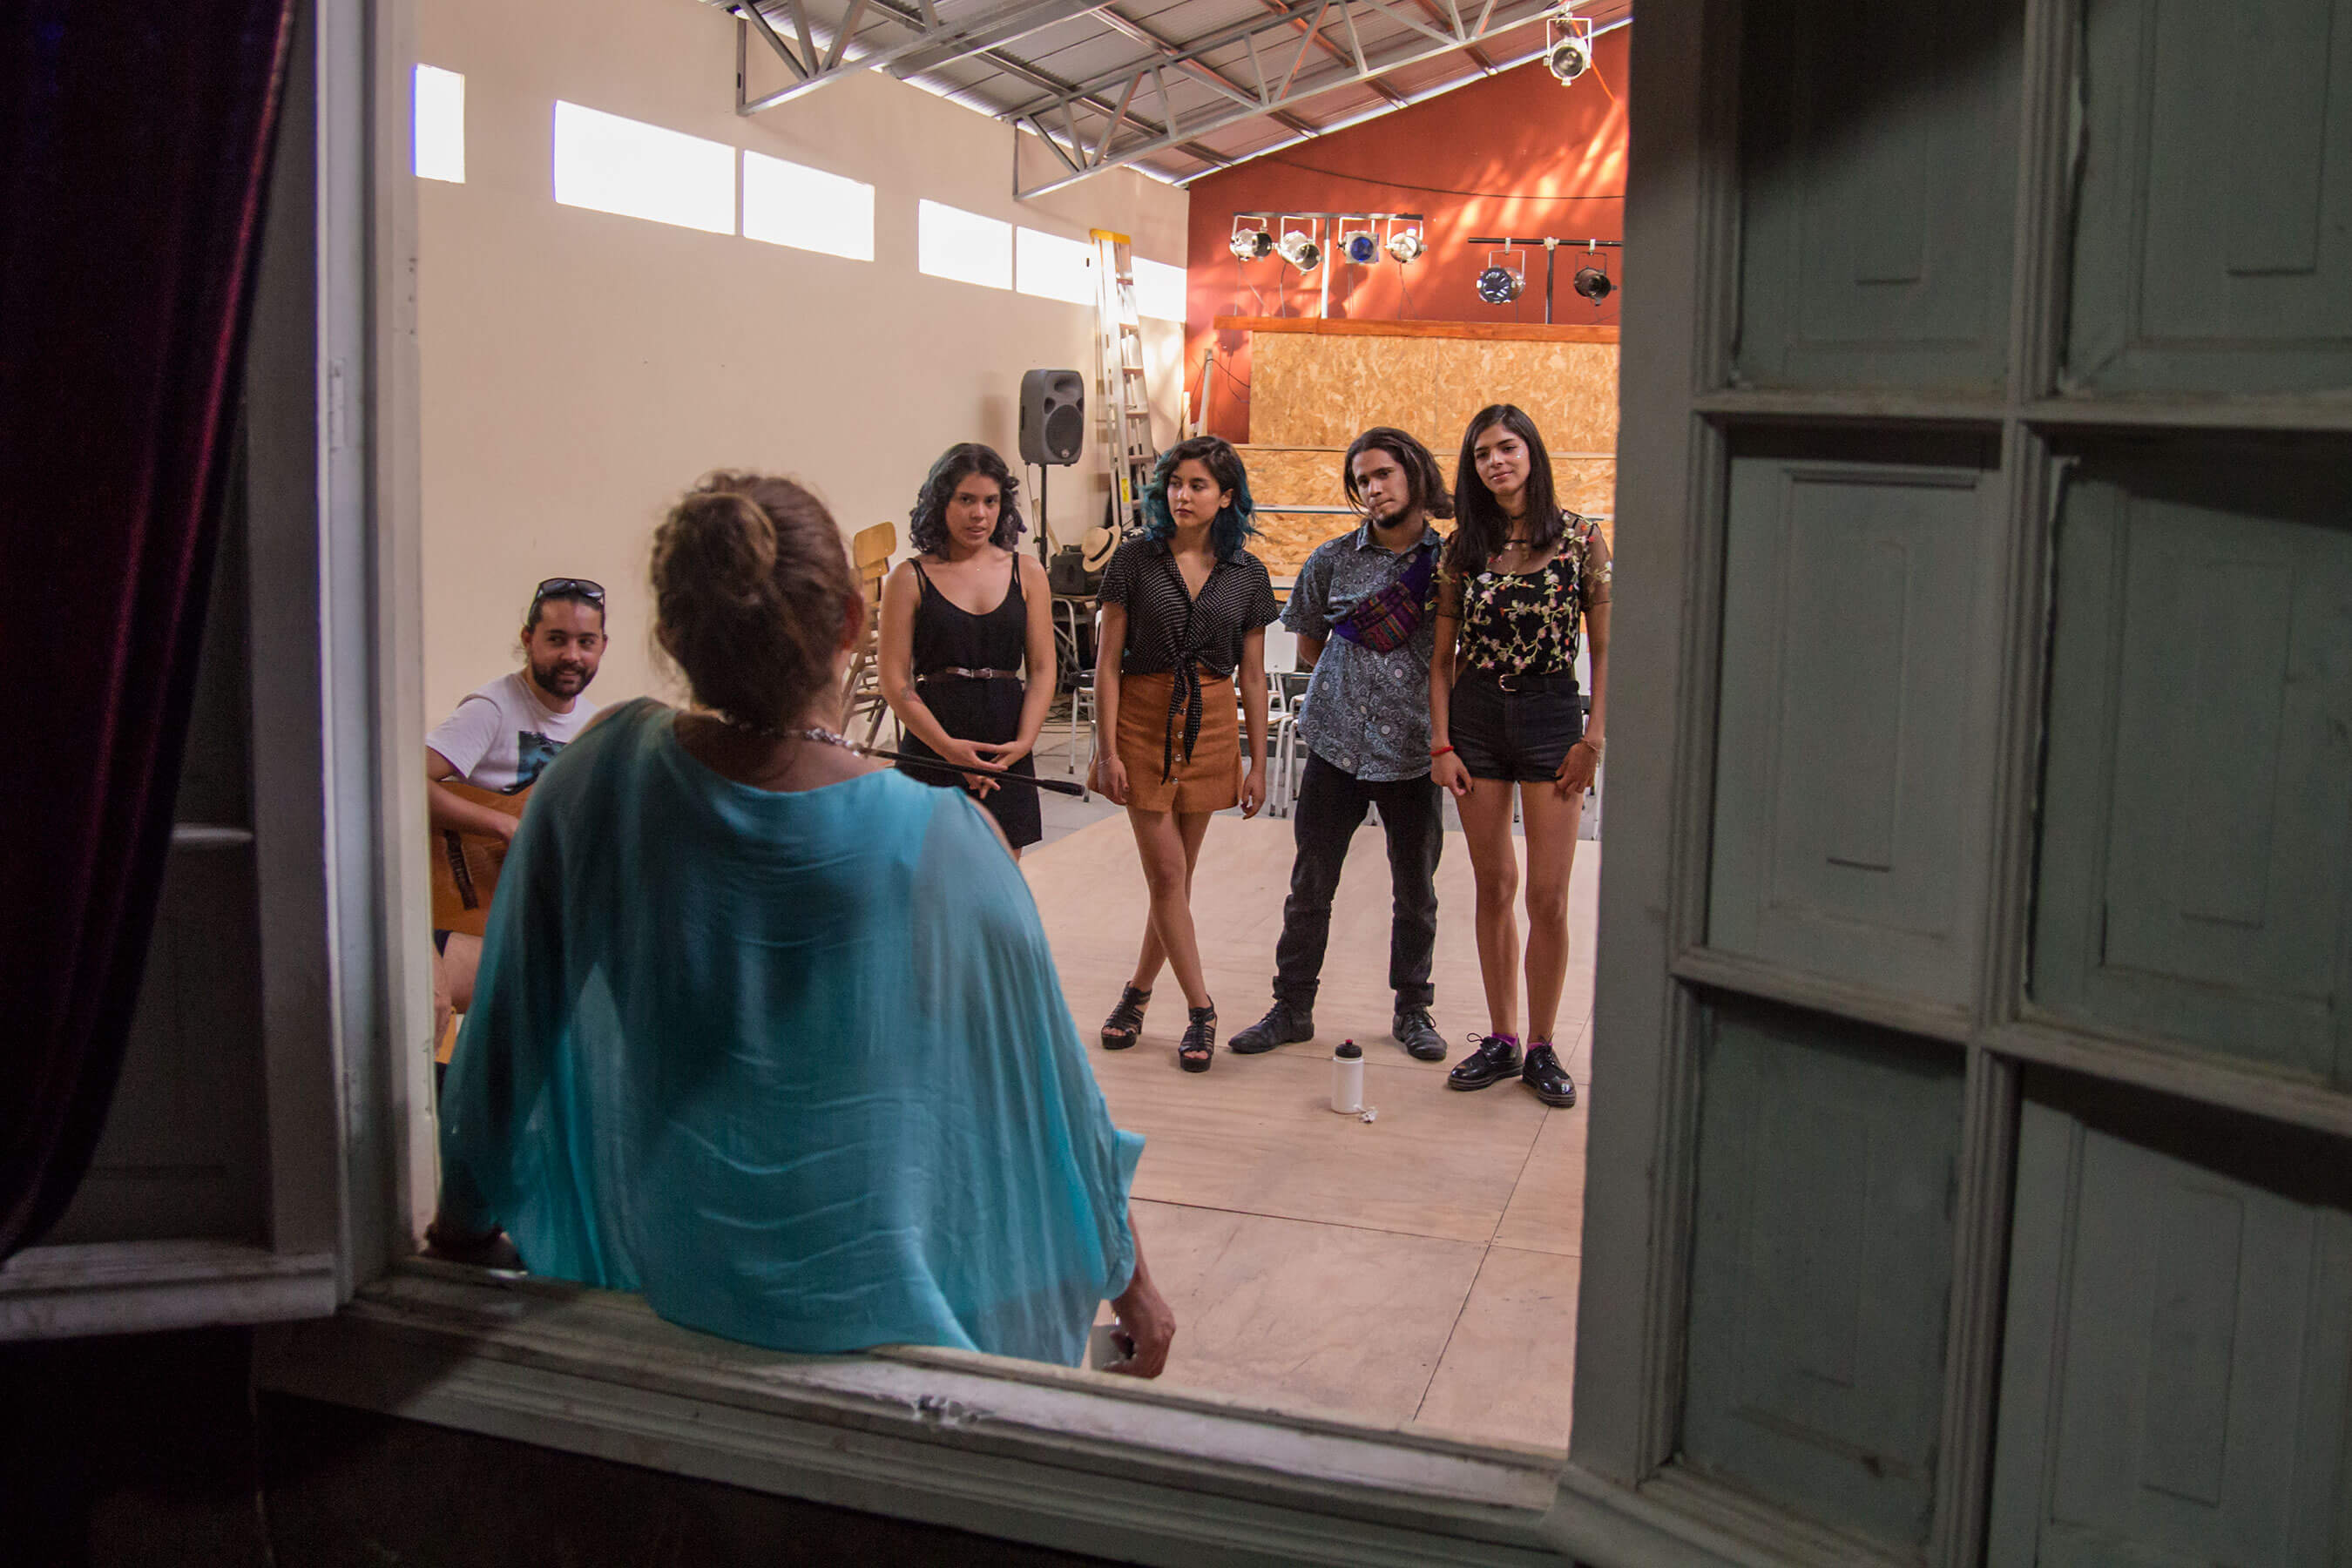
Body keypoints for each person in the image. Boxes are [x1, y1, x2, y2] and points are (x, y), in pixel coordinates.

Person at [428, 470, 1173, 1374]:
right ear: (853, 624)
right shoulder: (947, 841)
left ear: (669, 636)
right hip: (878, 1320)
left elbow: (504, 1042)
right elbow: (1050, 1088)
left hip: (672, 1289)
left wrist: (459, 1234)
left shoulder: (602, 776)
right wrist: (1133, 1285)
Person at [1228, 429, 1453, 1063]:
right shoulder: (1330, 560)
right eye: (1362, 480)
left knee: (1416, 891)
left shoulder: (1450, 566)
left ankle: (1413, 1009)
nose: (1373, 489)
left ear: (1413, 474)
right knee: (1310, 886)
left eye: (1383, 474)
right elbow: (1309, 645)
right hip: (1335, 745)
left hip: (1412, 749)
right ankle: (1292, 1007)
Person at [1428, 405, 1611, 1109]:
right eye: (1481, 454)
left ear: (1531, 452)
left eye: (1507, 447)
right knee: (1493, 885)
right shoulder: (1463, 548)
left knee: (1548, 896)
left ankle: (1541, 1044)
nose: (1496, 462)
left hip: (1551, 715)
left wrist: (1593, 739)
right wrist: (1441, 742)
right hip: (1476, 714)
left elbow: (1607, 649)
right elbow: (1440, 660)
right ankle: (1502, 1038)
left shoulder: (1580, 539)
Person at [1091, 436, 1279, 1073]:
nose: (1182, 495)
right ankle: (1202, 1008)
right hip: (1142, 719)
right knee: (1168, 876)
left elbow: (1253, 675)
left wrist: (1259, 763)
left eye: (1198, 485)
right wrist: (1106, 749)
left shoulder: (1247, 573)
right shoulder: (1134, 559)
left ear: (1226, 496)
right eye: (1175, 483)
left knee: (1175, 880)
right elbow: (1106, 665)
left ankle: (1137, 994)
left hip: (1213, 723)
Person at [425, 578, 607, 1058]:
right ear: (528, 639)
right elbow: (404, 784)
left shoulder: (596, 729)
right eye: (557, 639)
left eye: (586, 642)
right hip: (462, 910)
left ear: (602, 647)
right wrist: (503, 825)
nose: (572, 655)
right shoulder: (493, 708)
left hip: (522, 913)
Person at [879, 443, 1055, 856]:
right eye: (966, 500)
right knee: (928, 878)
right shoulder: (909, 577)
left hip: (1004, 744)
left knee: (1001, 876)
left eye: (990, 501)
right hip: (934, 741)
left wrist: (1024, 742)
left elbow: (1044, 669)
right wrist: (947, 749)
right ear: (941, 501)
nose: (979, 514)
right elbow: (894, 680)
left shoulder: (1027, 572)